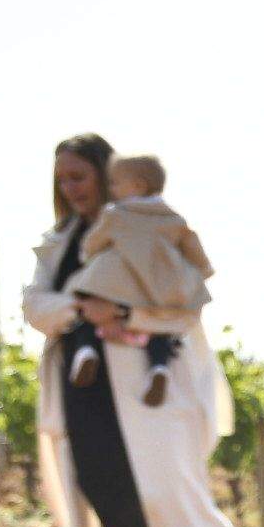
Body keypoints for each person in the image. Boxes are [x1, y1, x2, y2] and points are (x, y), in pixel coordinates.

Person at [21, 133, 254, 527]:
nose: (69, 188)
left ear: (107, 175)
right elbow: (37, 306)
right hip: (85, 392)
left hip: (148, 391)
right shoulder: (60, 241)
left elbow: (182, 308)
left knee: (171, 489)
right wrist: (83, 312)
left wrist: (123, 316)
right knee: (108, 500)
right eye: (62, 179)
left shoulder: (142, 231)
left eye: (78, 176)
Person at [71, 153, 214, 409]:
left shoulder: (116, 214)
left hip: (117, 284)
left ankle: (86, 351)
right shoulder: (173, 218)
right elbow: (195, 252)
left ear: (138, 186)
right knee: (162, 332)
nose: (111, 189)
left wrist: (88, 254)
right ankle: (159, 368)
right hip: (157, 291)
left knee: (86, 315)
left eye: (115, 183)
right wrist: (200, 274)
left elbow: (92, 244)